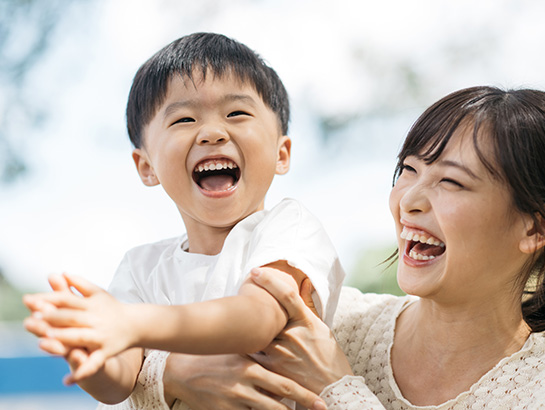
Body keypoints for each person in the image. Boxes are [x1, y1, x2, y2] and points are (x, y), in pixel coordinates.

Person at [242, 86, 545, 408]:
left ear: (538, 226)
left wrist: (338, 389)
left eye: (452, 182)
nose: (409, 200)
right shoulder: (331, 323)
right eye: (408, 170)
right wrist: (179, 375)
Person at [23, 32, 344, 410]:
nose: (212, 132)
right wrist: (91, 353)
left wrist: (129, 323)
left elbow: (257, 320)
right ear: (146, 166)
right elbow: (121, 384)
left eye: (236, 113)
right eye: (184, 118)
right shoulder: (141, 268)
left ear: (282, 152)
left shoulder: (289, 229)